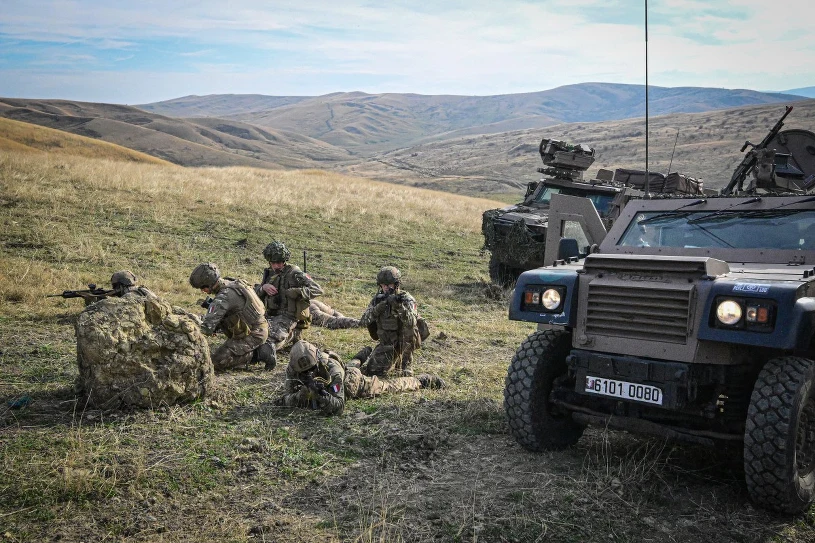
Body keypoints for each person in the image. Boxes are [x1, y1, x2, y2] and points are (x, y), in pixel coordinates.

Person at [273, 340, 445, 416]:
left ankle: (421, 381)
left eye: (312, 370)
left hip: (351, 382)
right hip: (343, 371)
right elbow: (286, 398)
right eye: (305, 373)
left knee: (386, 386)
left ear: (317, 361)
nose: (308, 374)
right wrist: (300, 396)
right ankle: (361, 355)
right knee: (351, 365)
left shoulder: (332, 369)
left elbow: (339, 406)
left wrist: (320, 396)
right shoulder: (293, 369)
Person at [189, 262, 272, 372]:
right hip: (258, 327)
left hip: (253, 334)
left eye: (203, 287)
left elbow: (206, 328)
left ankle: (260, 353)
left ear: (209, 284)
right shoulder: (232, 283)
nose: (202, 291)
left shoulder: (223, 298)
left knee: (214, 362)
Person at [255, 241, 324, 369]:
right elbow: (255, 293)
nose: (276, 265)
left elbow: (317, 289)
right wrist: (263, 288)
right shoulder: (269, 273)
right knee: (254, 334)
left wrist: (297, 292)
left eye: (279, 262)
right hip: (270, 314)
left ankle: (289, 337)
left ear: (284, 260)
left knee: (271, 339)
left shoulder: (294, 273)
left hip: (288, 316)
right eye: (273, 262)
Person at [357, 266, 428, 376]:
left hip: (405, 342)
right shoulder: (377, 300)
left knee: (410, 327)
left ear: (396, 284)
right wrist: (377, 309)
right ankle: (390, 358)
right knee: (373, 371)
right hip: (388, 343)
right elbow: (363, 322)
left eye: (388, 284)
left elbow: (411, 322)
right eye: (383, 285)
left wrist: (399, 307)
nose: (385, 288)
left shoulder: (406, 299)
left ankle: (405, 364)